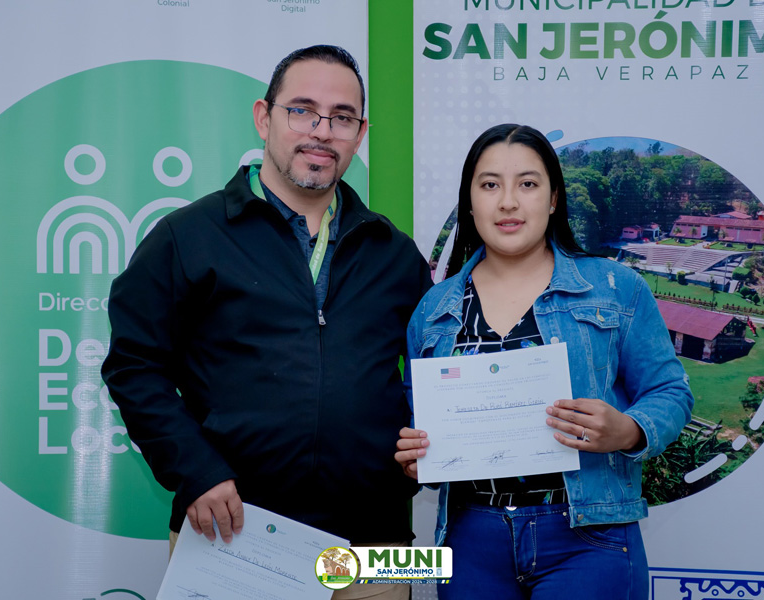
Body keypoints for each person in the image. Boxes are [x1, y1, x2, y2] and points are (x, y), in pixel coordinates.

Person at [102, 45, 431, 599]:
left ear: (360, 134)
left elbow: (435, 371)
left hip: (376, 544)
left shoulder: (394, 253)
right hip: (232, 533)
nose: (321, 131)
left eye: (342, 117)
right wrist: (195, 471)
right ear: (263, 117)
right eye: (302, 110)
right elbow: (133, 367)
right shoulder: (187, 237)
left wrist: (428, 451)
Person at [395, 124, 693, 599]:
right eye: (489, 185)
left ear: (553, 198)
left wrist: (628, 431)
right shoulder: (433, 309)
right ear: (469, 202)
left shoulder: (616, 288)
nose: (508, 202)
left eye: (528, 184)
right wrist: (419, 457)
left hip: (588, 537)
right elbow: (419, 422)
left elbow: (670, 392)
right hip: (470, 540)